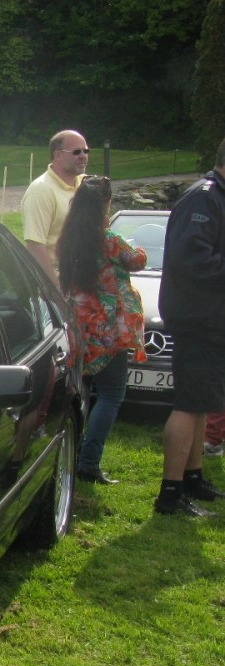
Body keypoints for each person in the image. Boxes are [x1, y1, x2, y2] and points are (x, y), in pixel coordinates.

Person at [55, 175, 146, 485]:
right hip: (108, 331)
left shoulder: (68, 239)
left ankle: (71, 455)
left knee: (81, 391)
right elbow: (137, 260)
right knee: (111, 395)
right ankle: (89, 461)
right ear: (105, 205)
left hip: (79, 328)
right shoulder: (109, 240)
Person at [154, 137, 225, 516]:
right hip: (197, 319)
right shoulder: (204, 199)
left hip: (210, 319)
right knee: (188, 404)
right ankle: (170, 492)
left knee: (201, 403)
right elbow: (192, 260)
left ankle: (193, 477)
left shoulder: (216, 198)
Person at [21, 130, 89, 278]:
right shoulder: (41, 191)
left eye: (86, 151)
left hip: (84, 278)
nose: (83, 155)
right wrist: (55, 287)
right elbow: (35, 245)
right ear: (58, 155)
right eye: (76, 152)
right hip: (59, 279)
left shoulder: (87, 184)